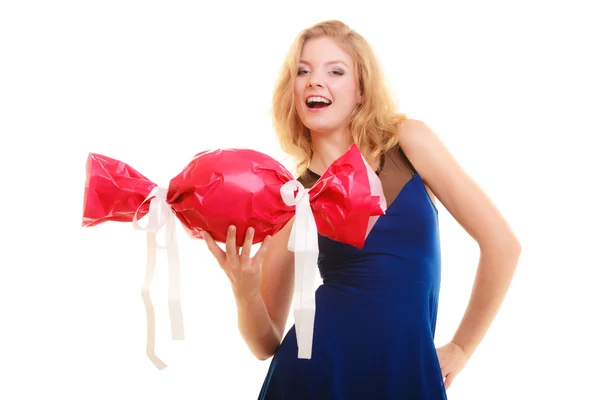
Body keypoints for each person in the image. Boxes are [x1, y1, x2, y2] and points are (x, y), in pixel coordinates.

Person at [203, 19, 521, 399]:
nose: (314, 81)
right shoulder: (293, 196)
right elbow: (265, 343)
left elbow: (502, 244)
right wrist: (245, 291)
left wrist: (462, 348)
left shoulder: (407, 144)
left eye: (334, 71)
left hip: (405, 373)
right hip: (316, 377)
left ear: (360, 91)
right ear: (292, 91)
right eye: (302, 71)